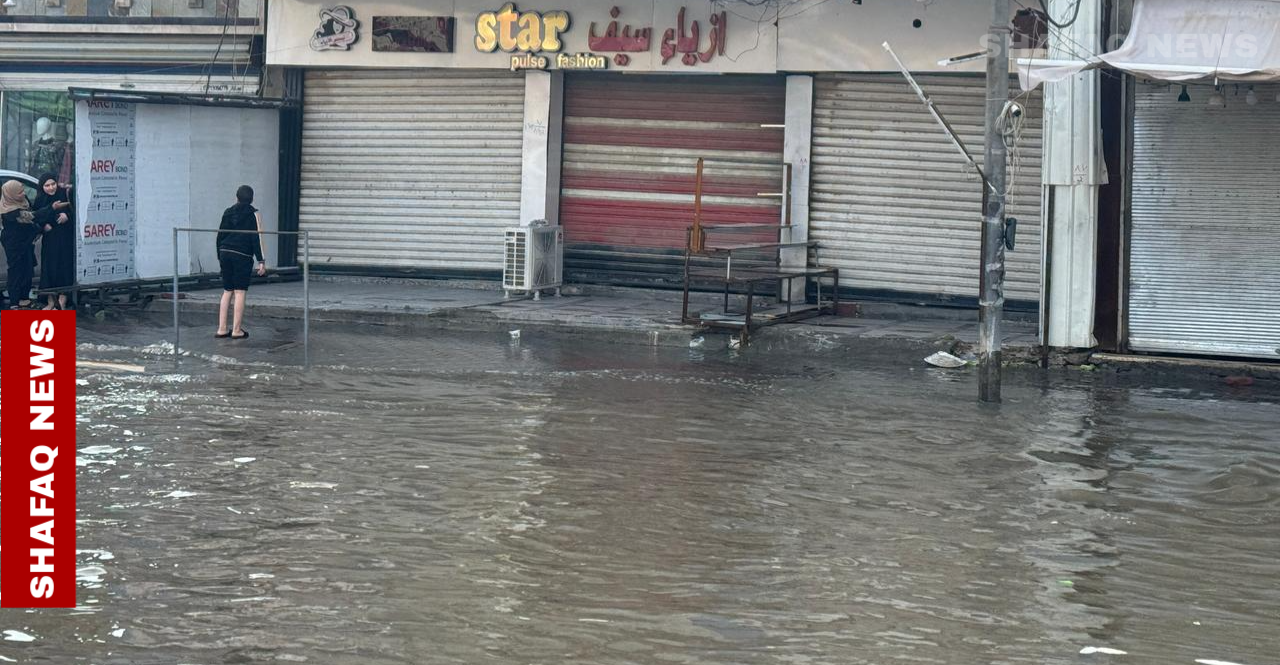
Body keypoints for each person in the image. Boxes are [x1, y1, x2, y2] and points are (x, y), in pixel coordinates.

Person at [215, 185, 266, 339]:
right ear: (252, 199)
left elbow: (220, 236)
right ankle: (237, 330)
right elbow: (257, 238)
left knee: (227, 291)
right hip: (242, 255)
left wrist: (220, 255)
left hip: (225, 252)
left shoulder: (228, 212)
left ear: (236, 197)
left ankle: (222, 329)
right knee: (239, 291)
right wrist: (261, 261)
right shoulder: (254, 214)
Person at [33, 174, 74, 310]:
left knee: (64, 268)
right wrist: (43, 226)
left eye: (53, 184)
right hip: (50, 241)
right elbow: (35, 217)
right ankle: (50, 300)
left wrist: (67, 216)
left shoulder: (64, 195)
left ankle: (62, 300)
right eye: (47, 185)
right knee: (49, 269)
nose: (51, 188)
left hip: (65, 239)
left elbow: (77, 213)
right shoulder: (40, 199)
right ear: (42, 187)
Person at [1, 180, 40, 309]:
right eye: (19, 192)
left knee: (27, 269)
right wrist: (51, 209)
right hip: (14, 243)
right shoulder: (8, 210)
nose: (23, 194)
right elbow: (30, 217)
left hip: (27, 242)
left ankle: (24, 298)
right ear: (11, 194)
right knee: (16, 270)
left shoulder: (24, 201)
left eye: (23, 191)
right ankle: (14, 301)